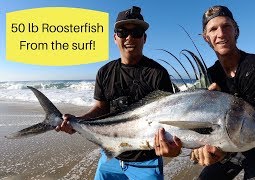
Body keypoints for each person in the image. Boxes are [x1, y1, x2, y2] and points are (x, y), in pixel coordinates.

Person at [154, 5, 255, 180]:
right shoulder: (210, 76)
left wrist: (219, 151)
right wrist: (193, 145)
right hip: (230, 145)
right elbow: (195, 117)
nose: (221, 34)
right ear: (206, 38)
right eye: (213, 29)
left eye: (226, 26)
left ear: (236, 30)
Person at [56, 6, 173, 180]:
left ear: (145, 38)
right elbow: (100, 108)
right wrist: (77, 121)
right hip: (110, 155)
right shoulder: (105, 72)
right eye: (122, 32)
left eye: (137, 32)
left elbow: (167, 117)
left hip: (146, 162)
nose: (129, 38)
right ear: (115, 38)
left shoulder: (158, 73)